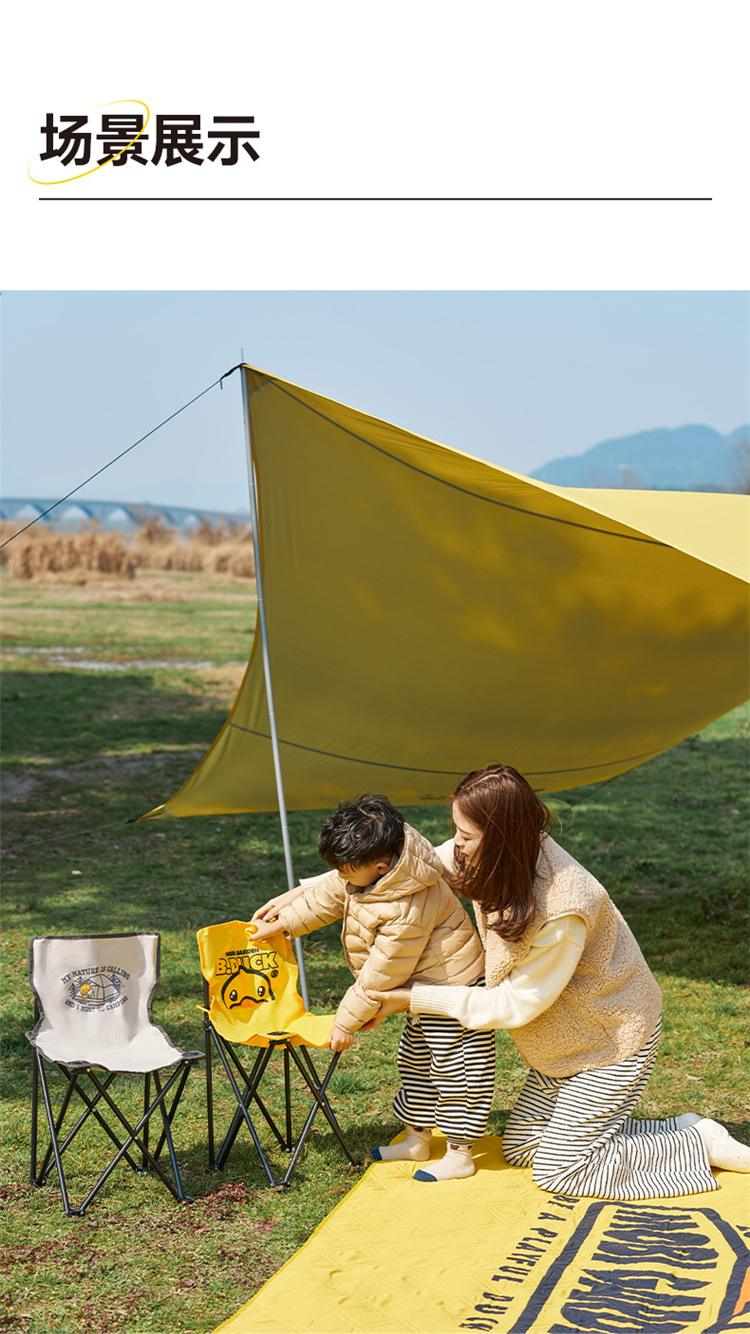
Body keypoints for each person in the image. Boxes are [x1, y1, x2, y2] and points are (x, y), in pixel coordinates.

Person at [366, 764, 750, 1198]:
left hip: (610, 1041)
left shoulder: (564, 905)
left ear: (502, 837)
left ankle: (698, 1143)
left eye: (466, 836)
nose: (456, 844)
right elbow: (410, 867)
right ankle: (678, 1129)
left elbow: (514, 1004)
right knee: (522, 1149)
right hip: (561, 1047)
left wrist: (413, 998)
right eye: (455, 829)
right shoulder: (496, 856)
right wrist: (330, 883)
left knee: (560, 1170)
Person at [250, 794, 496, 1180]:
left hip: (453, 992)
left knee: (458, 1072)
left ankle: (460, 1153)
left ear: (380, 867)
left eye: (346, 871)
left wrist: (345, 1023)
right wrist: (283, 924)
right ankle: (417, 1140)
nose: (342, 878)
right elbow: (327, 896)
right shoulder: (374, 870)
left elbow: (382, 973)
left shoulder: (407, 906)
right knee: (415, 1061)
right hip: (419, 990)